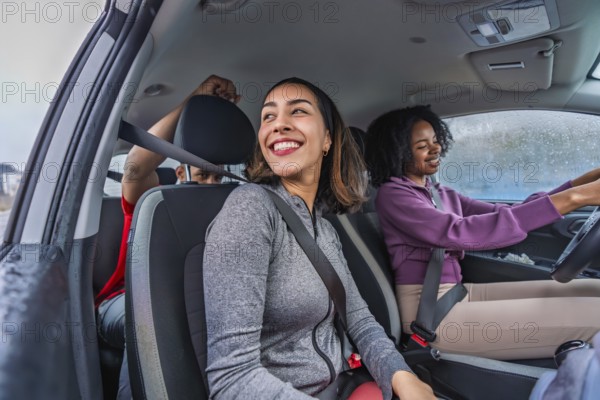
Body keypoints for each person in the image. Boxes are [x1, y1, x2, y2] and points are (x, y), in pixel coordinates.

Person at [202, 78, 436, 400]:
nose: (279, 124)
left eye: (297, 111)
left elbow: (359, 320)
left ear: (327, 139)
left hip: (343, 385)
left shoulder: (324, 228)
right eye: (268, 116)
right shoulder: (250, 209)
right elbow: (232, 379)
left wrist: (401, 375)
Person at [364, 105, 600, 361]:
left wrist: (578, 185)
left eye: (435, 140)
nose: (436, 149)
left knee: (594, 290)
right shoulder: (394, 196)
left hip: (457, 293)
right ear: (396, 153)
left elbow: (509, 213)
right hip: (431, 314)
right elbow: (459, 232)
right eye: (422, 146)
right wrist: (576, 198)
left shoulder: (438, 192)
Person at [96, 75, 238, 399]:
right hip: (125, 298)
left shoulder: (233, 207)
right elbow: (135, 167)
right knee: (153, 319)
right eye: (202, 174)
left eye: (219, 176)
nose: (211, 184)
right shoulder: (157, 205)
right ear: (180, 173)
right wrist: (193, 100)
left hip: (198, 298)